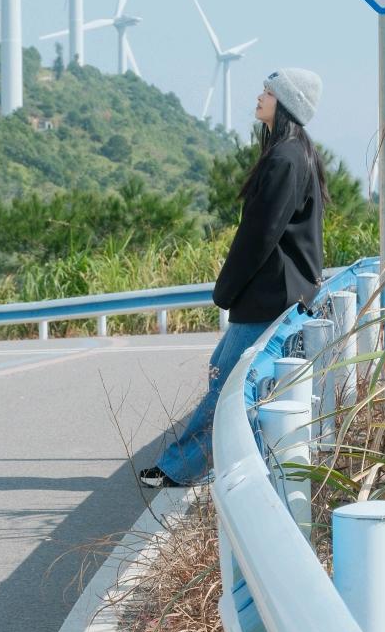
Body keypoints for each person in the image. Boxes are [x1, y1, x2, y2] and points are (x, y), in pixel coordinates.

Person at [140, 68, 328, 487]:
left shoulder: (285, 159)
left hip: (270, 295)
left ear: (286, 104)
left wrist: (225, 289)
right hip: (281, 293)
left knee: (230, 387)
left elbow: (259, 235)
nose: (260, 96)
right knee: (228, 374)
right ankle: (232, 463)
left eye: (269, 92)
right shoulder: (296, 154)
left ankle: (181, 469)